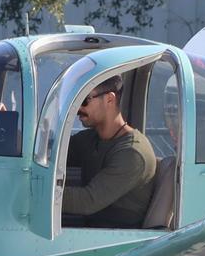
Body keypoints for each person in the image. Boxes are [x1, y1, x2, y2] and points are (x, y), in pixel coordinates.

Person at [62, 73, 157, 228]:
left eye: (84, 100)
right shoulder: (91, 139)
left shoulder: (132, 153)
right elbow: (51, 153)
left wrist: (34, 193)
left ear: (109, 99)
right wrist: (9, 127)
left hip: (113, 242)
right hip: (91, 232)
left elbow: (88, 201)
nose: (78, 108)